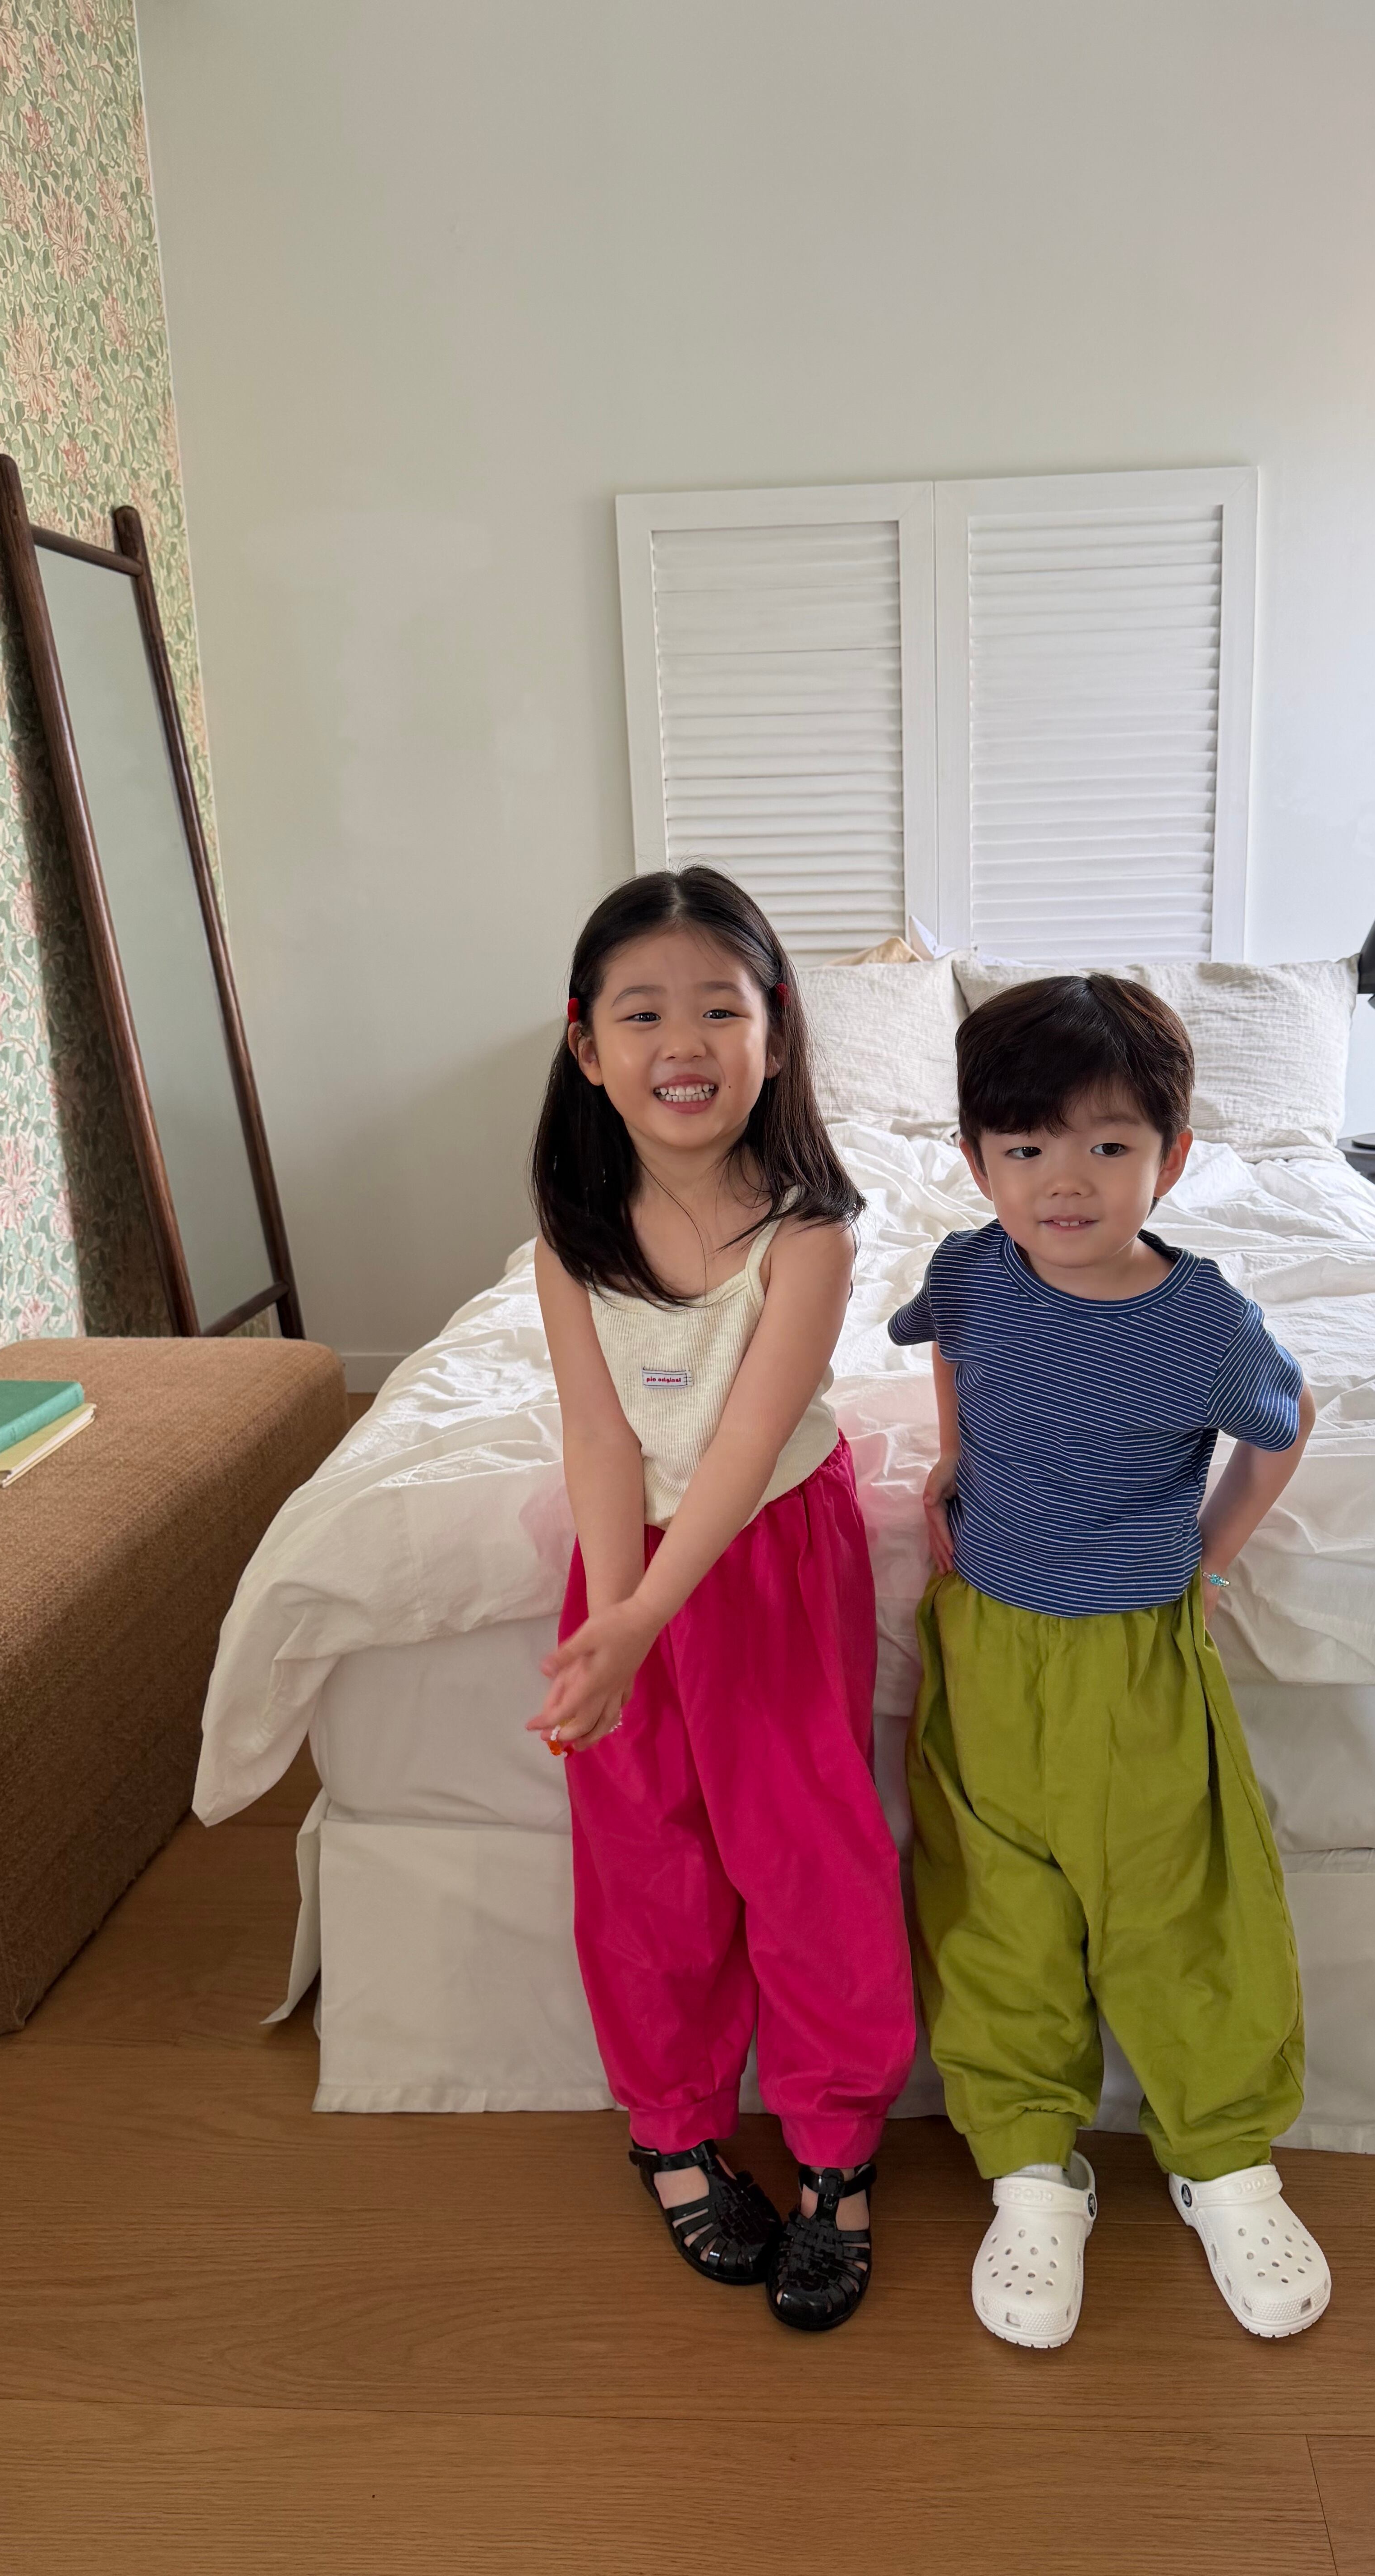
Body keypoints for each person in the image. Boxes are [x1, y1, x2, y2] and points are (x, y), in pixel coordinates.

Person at [889, 971, 1329, 2348]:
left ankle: (1224, 2158)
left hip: (1135, 1653)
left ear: (1169, 1158)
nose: (1062, 1181)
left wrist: (1213, 1555)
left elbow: (1284, 1425)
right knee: (995, 1906)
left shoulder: (1201, 1322)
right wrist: (951, 1457)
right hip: (986, 1642)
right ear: (976, 1161)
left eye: (1106, 1144)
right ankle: (1031, 2169)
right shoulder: (969, 1271)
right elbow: (949, 1347)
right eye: (1024, 1147)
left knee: (1177, 1895)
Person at [528, 865, 914, 2332]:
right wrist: (614, 1620)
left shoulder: (808, 1230)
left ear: (776, 1030)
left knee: (805, 1851)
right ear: (586, 1045)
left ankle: (835, 2151)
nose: (680, 1044)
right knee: (643, 1854)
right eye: (641, 1014)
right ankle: (673, 2128)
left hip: (767, 1558)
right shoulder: (573, 1229)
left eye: (717, 1010)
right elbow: (596, 1436)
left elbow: (745, 1446)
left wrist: (644, 1621)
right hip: (623, 1561)